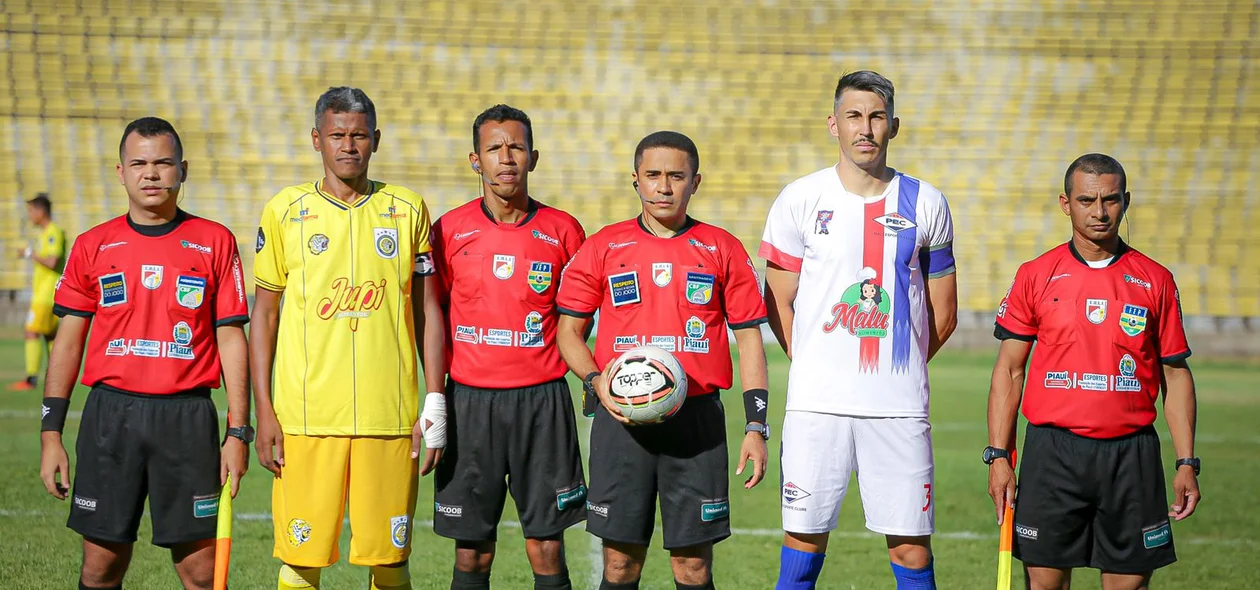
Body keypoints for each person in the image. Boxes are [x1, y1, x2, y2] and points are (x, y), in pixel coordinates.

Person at [759, 70, 958, 590]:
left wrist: (902, 364)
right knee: (803, 538)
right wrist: (814, 360)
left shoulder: (928, 202)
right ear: (834, 124)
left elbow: (944, 312)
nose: (864, 128)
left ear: (893, 125)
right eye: (853, 116)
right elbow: (778, 299)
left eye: (875, 117)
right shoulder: (800, 199)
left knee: (912, 547)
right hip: (816, 405)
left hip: (897, 407)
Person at [38, 116, 251, 590]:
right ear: (120, 172)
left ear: (183, 170)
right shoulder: (93, 244)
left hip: (187, 418)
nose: (150, 173)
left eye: (162, 163)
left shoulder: (215, 241)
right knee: (101, 567)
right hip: (111, 417)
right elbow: (68, 340)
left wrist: (238, 431)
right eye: (139, 163)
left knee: (200, 572)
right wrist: (51, 432)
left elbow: (232, 338)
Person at [250, 87, 447, 590]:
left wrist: (435, 399)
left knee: (389, 560)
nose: (348, 146)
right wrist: (265, 410)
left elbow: (426, 309)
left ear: (376, 140)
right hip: (306, 417)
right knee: (301, 559)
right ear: (316, 139)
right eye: (337, 135)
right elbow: (264, 316)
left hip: (390, 417)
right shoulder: (284, 210)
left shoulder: (407, 209)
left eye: (359, 135)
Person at [557, 131, 770, 590]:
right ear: (635, 180)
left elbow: (750, 340)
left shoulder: (722, 247)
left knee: (692, 567)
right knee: (619, 564)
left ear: (696, 182)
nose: (664, 187)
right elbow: (568, 334)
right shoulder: (603, 246)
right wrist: (596, 381)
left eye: (677, 176)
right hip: (621, 420)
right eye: (653, 175)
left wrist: (756, 427)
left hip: (697, 423)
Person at [986, 153, 1200, 590]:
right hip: (1053, 452)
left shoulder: (1155, 279)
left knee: (1129, 585)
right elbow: (1009, 372)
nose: (1100, 212)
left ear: (1126, 201)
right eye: (1087, 200)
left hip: (1131, 455)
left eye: (1110, 200)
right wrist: (998, 458)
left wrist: (1186, 462)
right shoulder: (1035, 275)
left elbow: (1175, 376)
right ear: (1066, 203)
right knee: (1044, 584)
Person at [429, 104, 587, 590]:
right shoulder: (447, 231)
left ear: (533, 157)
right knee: (472, 549)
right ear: (475, 160)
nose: (506, 158)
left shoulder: (564, 231)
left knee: (547, 545)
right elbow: (430, 316)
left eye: (515, 147)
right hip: (469, 401)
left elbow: (578, 319)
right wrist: (435, 398)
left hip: (542, 402)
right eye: (494, 148)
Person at [10, 192, 66, 391]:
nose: (30, 216)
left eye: (32, 211)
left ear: (41, 211)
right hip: (45, 293)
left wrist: (29, 254)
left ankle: (31, 379)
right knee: (50, 336)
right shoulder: (44, 234)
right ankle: (58, 374)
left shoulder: (53, 232)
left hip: (46, 295)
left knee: (31, 331)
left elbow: (52, 261)